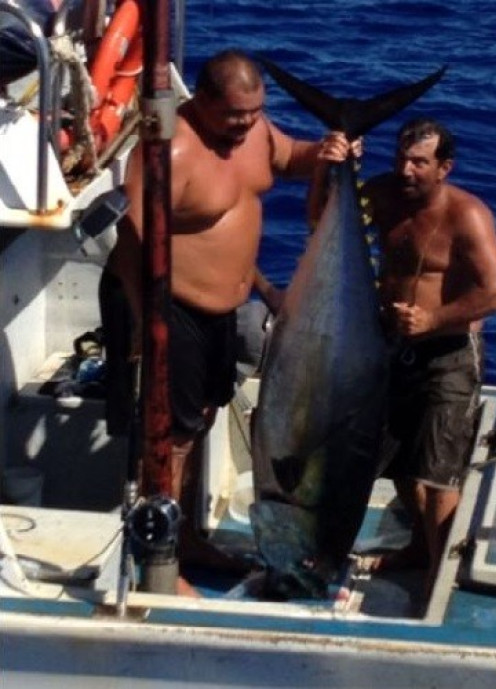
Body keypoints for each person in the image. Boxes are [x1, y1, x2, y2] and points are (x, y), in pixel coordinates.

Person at [100, 49, 355, 594]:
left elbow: (291, 158)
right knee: (169, 437)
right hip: (173, 309)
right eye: (236, 114)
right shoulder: (171, 149)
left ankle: (187, 537)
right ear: (203, 101)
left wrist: (331, 151)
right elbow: (129, 242)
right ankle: (157, 561)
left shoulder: (254, 132)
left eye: (256, 111)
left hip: (224, 311)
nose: (247, 124)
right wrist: (148, 324)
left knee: (203, 420)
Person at [312, 117, 496, 597]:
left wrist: (434, 318)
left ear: (444, 167)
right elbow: (321, 223)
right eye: (401, 158)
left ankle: (440, 575)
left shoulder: (468, 216)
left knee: (437, 473)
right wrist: (331, 169)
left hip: (447, 355)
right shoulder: (380, 195)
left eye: (420, 162)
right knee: (398, 463)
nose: (406, 170)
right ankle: (419, 551)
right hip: (389, 347)